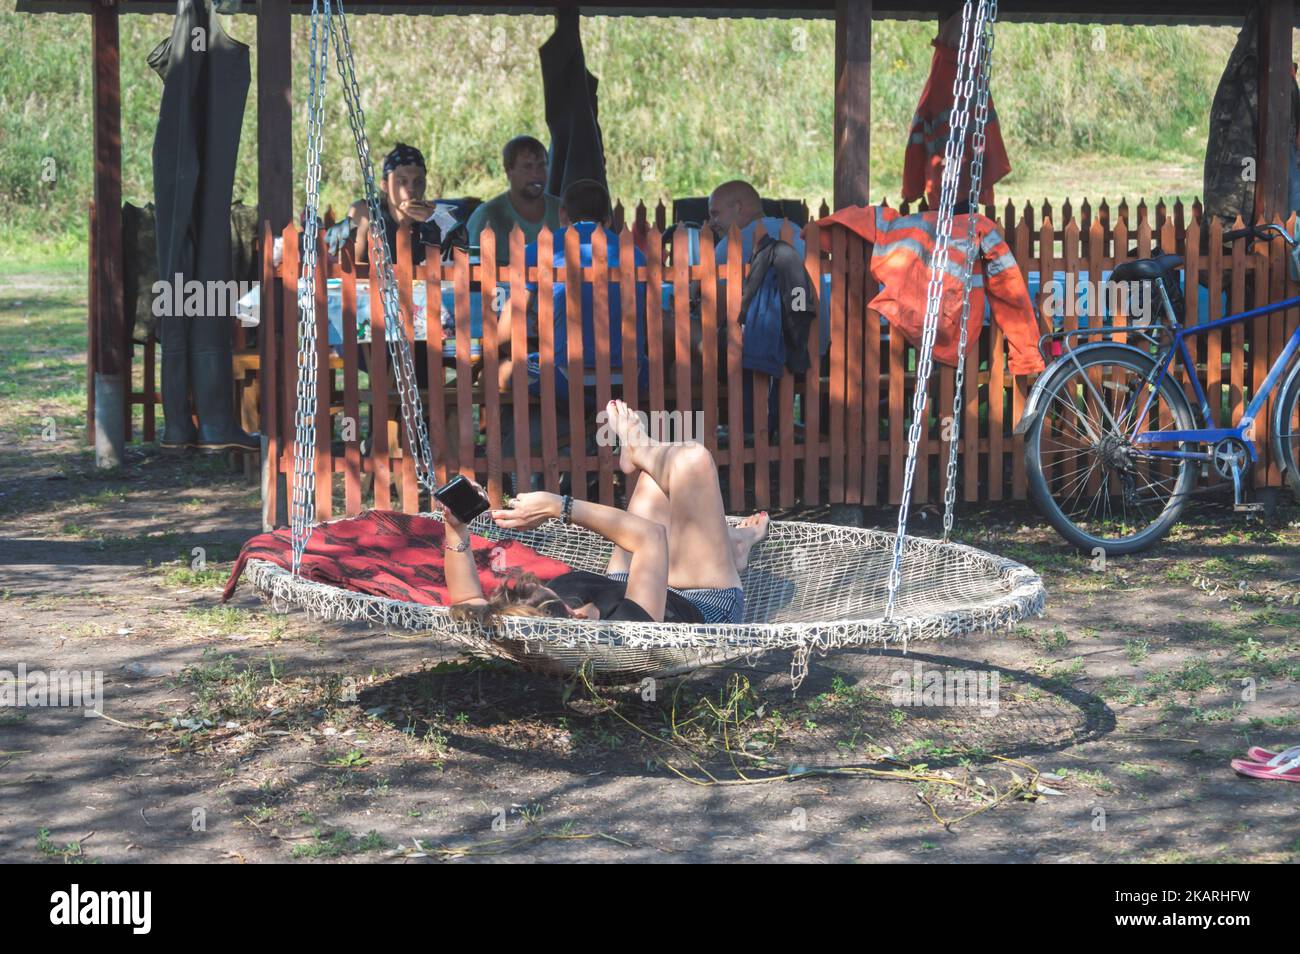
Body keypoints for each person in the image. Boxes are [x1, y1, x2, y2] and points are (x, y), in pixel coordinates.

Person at [442, 399, 768, 625]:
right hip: (700, 596)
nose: (518, 585)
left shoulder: (525, 623)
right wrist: (560, 506)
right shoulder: (623, 628)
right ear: (576, 616)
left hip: (629, 581)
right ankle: (639, 447)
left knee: (660, 479)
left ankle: (729, 546)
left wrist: (455, 525)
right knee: (692, 461)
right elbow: (650, 539)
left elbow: (467, 598)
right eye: (524, 594)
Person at [333, 143, 444, 267]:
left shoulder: (434, 218)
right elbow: (351, 266)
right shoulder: (366, 212)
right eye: (402, 181)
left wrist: (435, 221)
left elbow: (446, 268)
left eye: (418, 182)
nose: (411, 188)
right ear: (385, 185)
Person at [466, 135, 562, 264]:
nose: (536, 173)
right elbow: (470, 273)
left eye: (541, 165)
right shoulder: (486, 216)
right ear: (508, 171)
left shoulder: (563, 211)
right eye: (528, 166)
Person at [707, 179, 805, 264]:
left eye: (715, 214)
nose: (710, 224)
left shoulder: (728, 247)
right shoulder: (795, 230)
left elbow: (711, 284)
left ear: (737, 208)